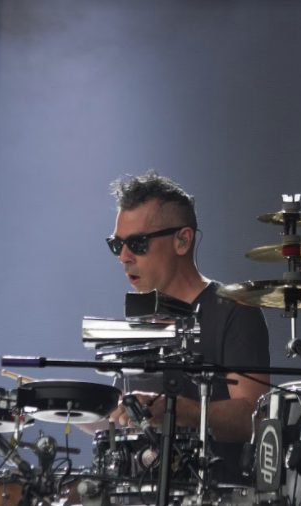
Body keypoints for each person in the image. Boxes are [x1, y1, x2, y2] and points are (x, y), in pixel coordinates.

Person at [102, 171, 271, 482]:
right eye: (117, 245)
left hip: (214, 491)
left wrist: (175, 410)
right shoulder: (141, 322)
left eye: (137, 243)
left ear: (182, 240)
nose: (123, 257)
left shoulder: (234, 309)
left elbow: (255, 418)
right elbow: (119, 420)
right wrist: (69, 408)